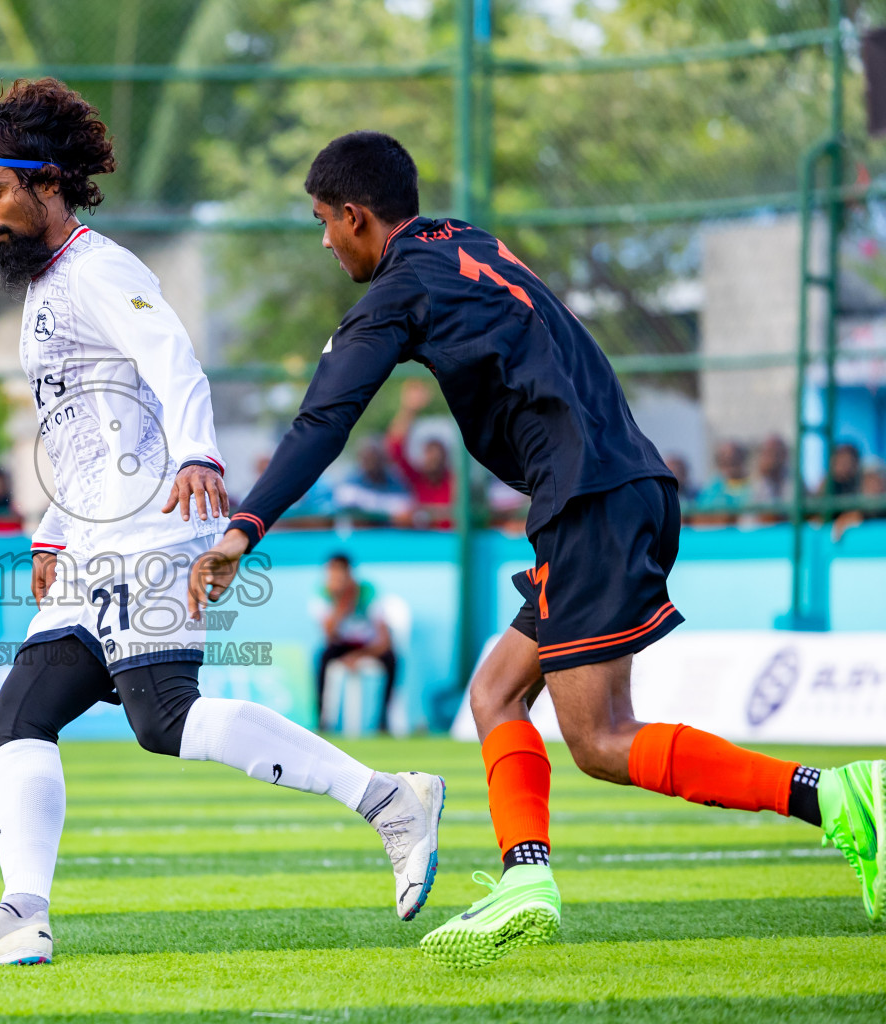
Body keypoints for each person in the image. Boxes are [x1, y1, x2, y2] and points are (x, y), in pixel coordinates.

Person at [187, 130, 883, 967]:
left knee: (599, 740)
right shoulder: (468, 242)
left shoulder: (397, 290)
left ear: (354, 215)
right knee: (496, 691)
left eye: (322, 222)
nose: (324, 240)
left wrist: (241, 530)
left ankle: (840, 795)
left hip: (589, 496)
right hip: (614, 484)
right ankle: (527, 879)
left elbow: (322, 422)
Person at [0, 81, 444, 968]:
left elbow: (173, 360)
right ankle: (21, 917)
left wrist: (201, 455)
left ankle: (388, 798)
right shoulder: (43, 291)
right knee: (18, 716)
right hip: (91, 537)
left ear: (47, 185)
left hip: (153, 524)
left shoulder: (100, 268)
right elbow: (81, 432)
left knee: (164, 719)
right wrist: (51, 527)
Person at [311, 553, 398, 733]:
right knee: (322, 657)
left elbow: (385, 640)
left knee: (392, 660)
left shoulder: (368, 593)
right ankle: (322, 721)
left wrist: (358, 656)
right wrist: (342, 604)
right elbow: (329, 636)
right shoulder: (322, 595)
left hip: (368, 646)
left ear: (350, 574)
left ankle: (383, 721)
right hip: (341, 645)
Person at [385, 380, 453, 527]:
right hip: (420, 541)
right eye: (429, 452)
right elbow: (394, 445)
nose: (433, 457)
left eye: (437, 452)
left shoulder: (455, 482)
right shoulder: (416, 478)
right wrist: (409, 409)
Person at [331, 437, 413, 525]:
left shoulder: (397, 483)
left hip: (389, 535)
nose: (372, 461)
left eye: (375, 456)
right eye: (367, 457)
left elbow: (406, 510)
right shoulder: (349, 482)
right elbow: (348, 508)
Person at [691, 440, 751, 525]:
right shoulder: (711, 488)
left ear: (742, 458)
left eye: (734, 457)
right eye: (725, 458)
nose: (730, 460)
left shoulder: (755, 485)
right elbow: (701, 516)